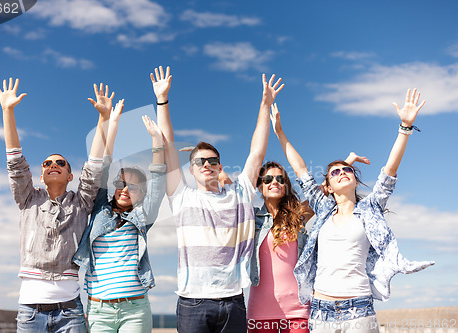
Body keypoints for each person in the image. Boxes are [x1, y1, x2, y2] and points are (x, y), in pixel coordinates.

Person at [269, 89, 434, 333]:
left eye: (347, 170)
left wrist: (405, 128)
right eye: (334, 172)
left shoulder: (370, 208)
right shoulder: (323, 209)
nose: (342, 173)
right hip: (321, 309)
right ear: (329, 185)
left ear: (355, 180)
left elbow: (389, 171)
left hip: (359, 309)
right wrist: (280, 133)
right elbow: (300, 168)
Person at [151, 65, 284, 333]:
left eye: (213, 160)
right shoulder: (182, 196)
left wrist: (264, 104)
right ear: (191, 169)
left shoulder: (240, 194)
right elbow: (167, 146)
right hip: (192, 302)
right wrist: (162, 101)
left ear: (220, 166)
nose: (207, 164)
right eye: (200, 161)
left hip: (233, 301)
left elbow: (257, 152)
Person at [0, 78, 117, 332]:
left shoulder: (81, 202)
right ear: (41, 175)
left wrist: (103, 119)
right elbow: (15, 163)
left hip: (71, 310)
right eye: (47, 163)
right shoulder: (28, 199)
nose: (53, 164)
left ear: (70, 176)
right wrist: (8, 111)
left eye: (60, 163)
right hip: (30, 312)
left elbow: (94, 165)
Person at [221, 155, 368, 333]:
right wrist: (217, 170)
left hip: (298, 311)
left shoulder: (297, 216)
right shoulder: (252, 219)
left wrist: (347, 163)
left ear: (286, 186)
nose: (274, 182)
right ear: (260, 186)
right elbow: (233, 198)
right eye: (268, 179)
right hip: (259, 313)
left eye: (280, 179)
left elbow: (324, 190)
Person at [73, 95, 166, 332]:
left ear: (141, 193)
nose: (125, 190)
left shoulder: (143, 217)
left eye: (133, 186)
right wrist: (111, 124)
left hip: (135, 309)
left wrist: (157, 141)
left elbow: (157, 181)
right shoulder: (99, 211)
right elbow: (102, 167)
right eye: (121, 183)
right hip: (98, 309)